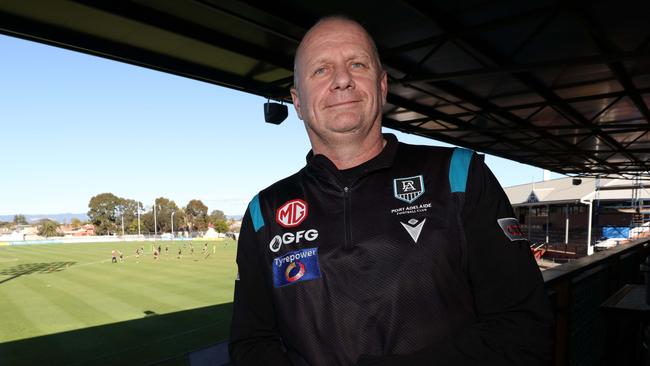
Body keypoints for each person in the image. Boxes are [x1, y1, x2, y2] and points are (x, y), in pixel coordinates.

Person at [229, 16, 553, 366]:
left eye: (357, 64)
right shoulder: (265, 211)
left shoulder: (460, 176)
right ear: (297, 100)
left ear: (382, 86)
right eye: (320, 70)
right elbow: (251, 344)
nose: (341, 80)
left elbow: (525, 330)